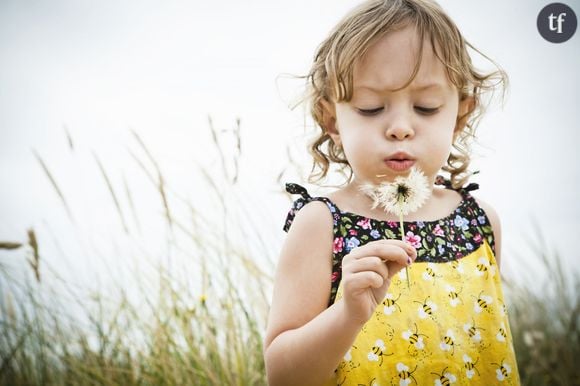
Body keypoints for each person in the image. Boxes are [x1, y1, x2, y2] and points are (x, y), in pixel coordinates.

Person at [264, 0, 520, 385]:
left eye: (426, 106)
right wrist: (347, 314)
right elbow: (282, 377)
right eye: (371, 108)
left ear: (460, 116)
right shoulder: (322, 224)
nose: (400, 127)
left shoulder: (479, 223)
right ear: (332, 120)